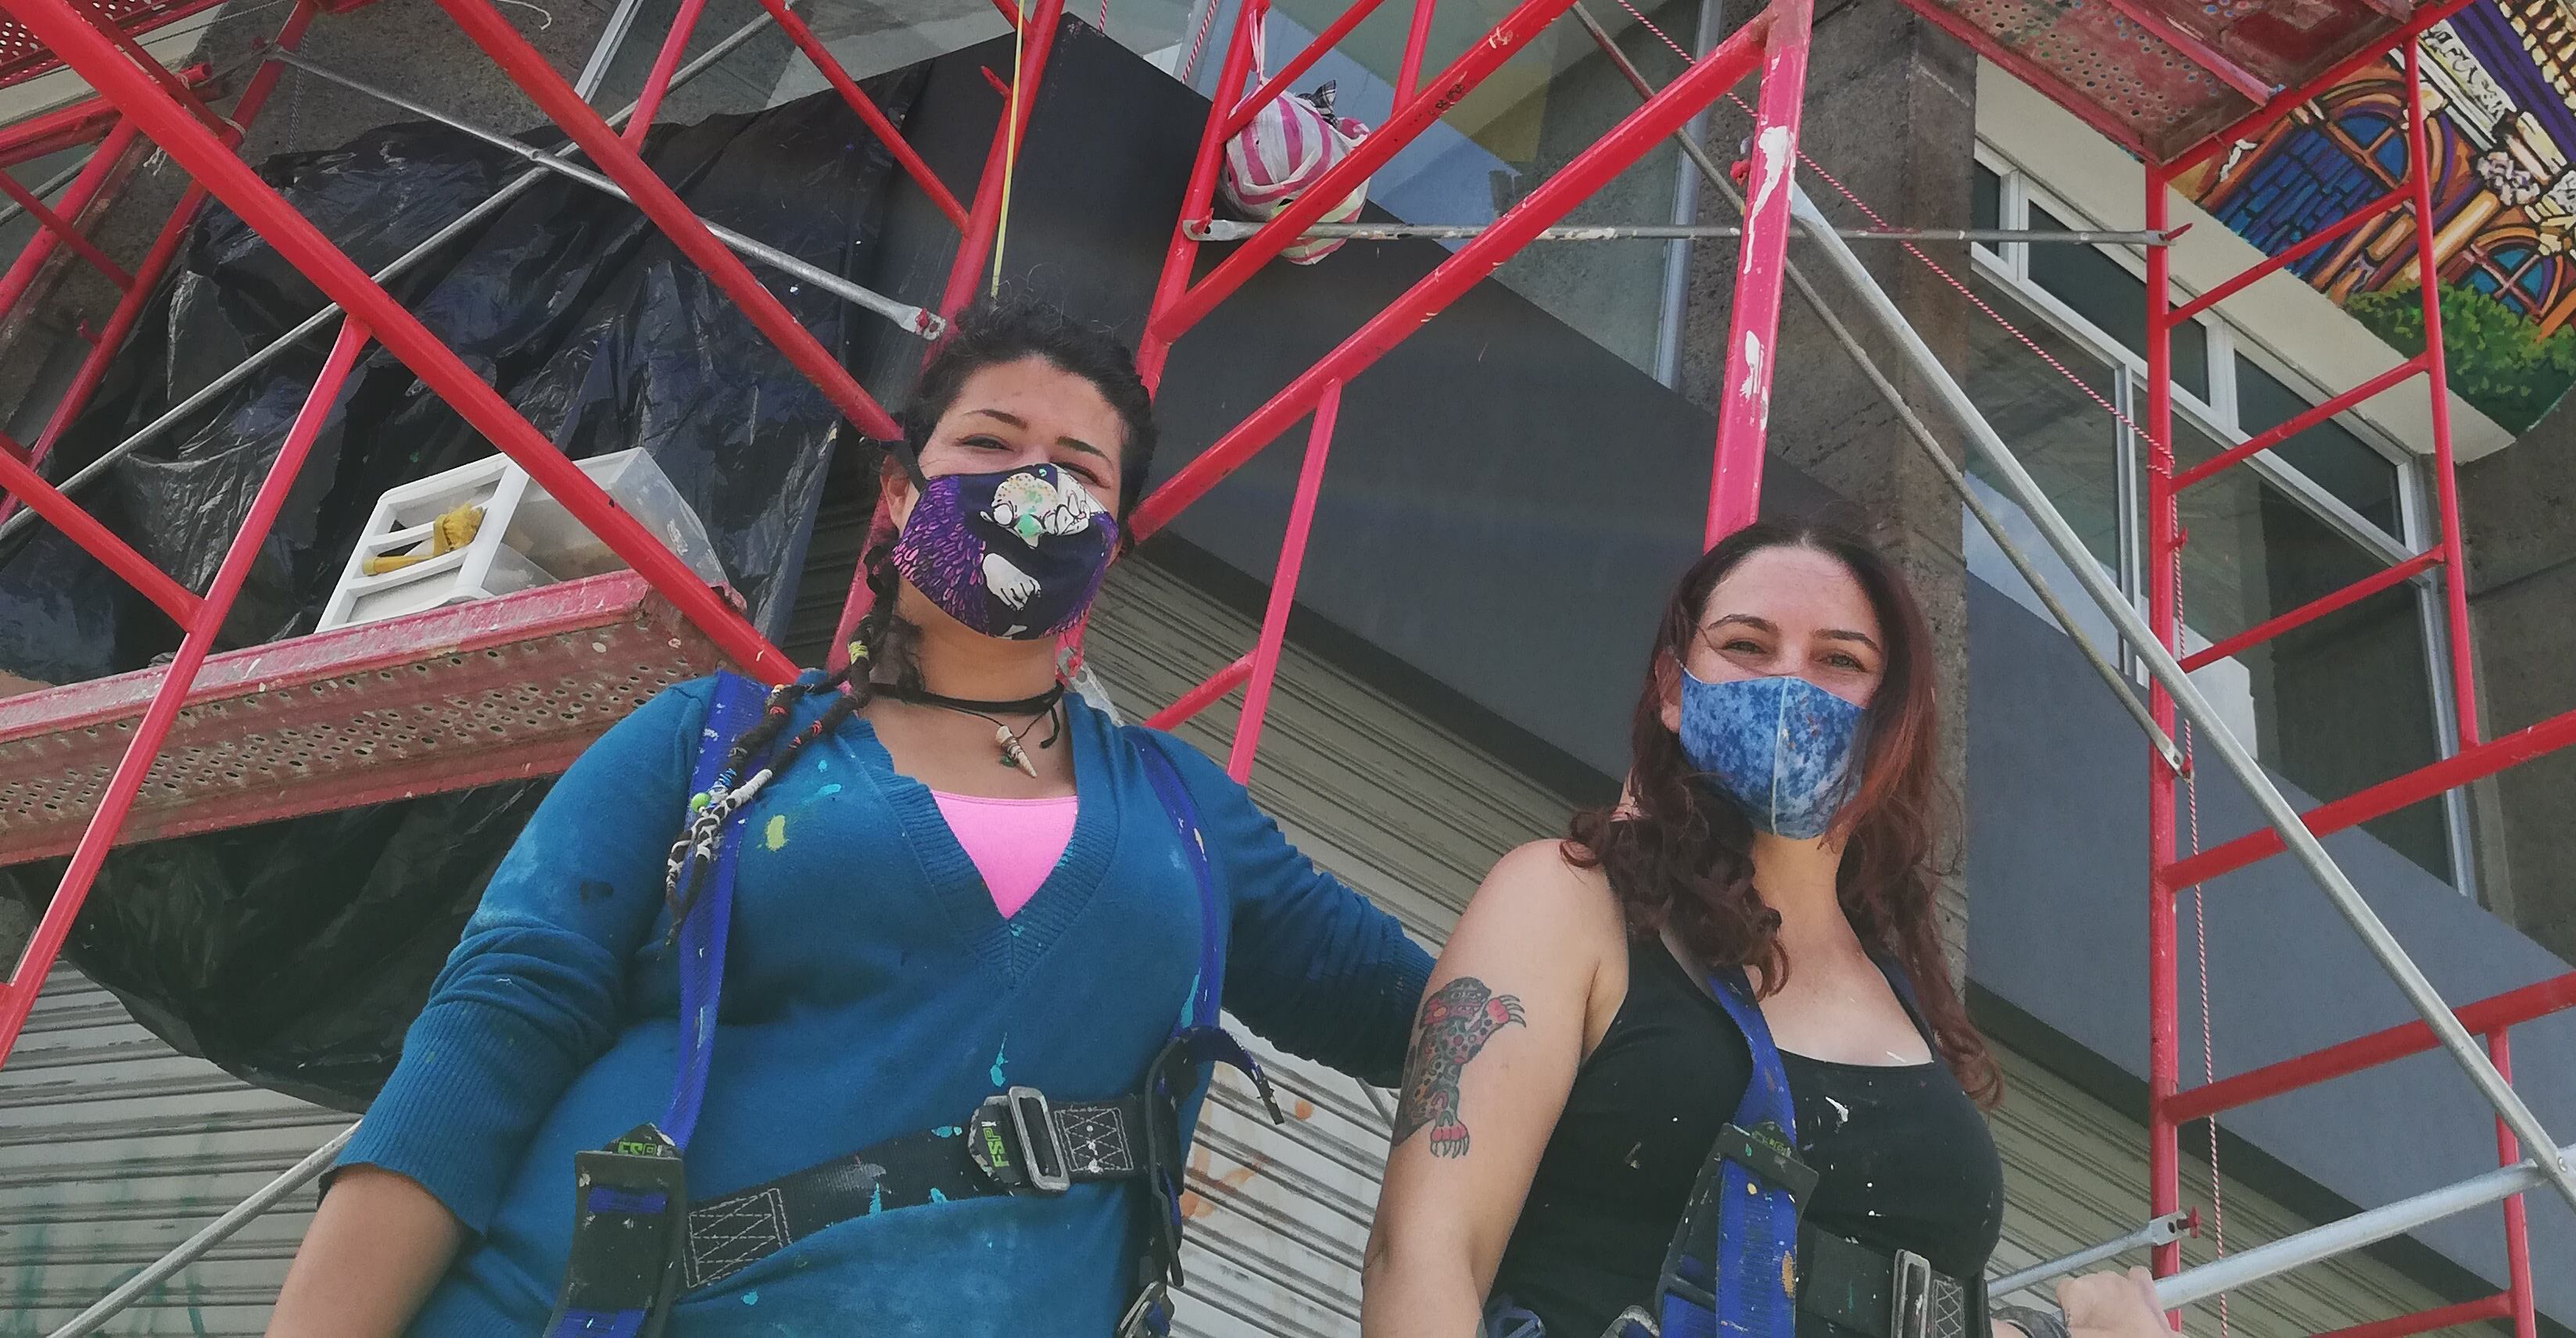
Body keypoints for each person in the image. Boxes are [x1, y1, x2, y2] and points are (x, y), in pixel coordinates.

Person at [267, 292, 1432, 1338]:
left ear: (1111, 548)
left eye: (1080, 470)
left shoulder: (1187, 816)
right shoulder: (712, 741)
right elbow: (490, 1038)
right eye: (989, 443)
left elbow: (1442, 1025)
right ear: (899, 492)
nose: (1032, 487)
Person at [1361, 517, 2174, 1338]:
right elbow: (1422, 1260)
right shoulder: (1569, 902)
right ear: (1673, 690)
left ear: (1893, 719)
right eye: (1747, 646)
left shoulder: (1902, 1000)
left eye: (1840, 660)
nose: (1790, 685)